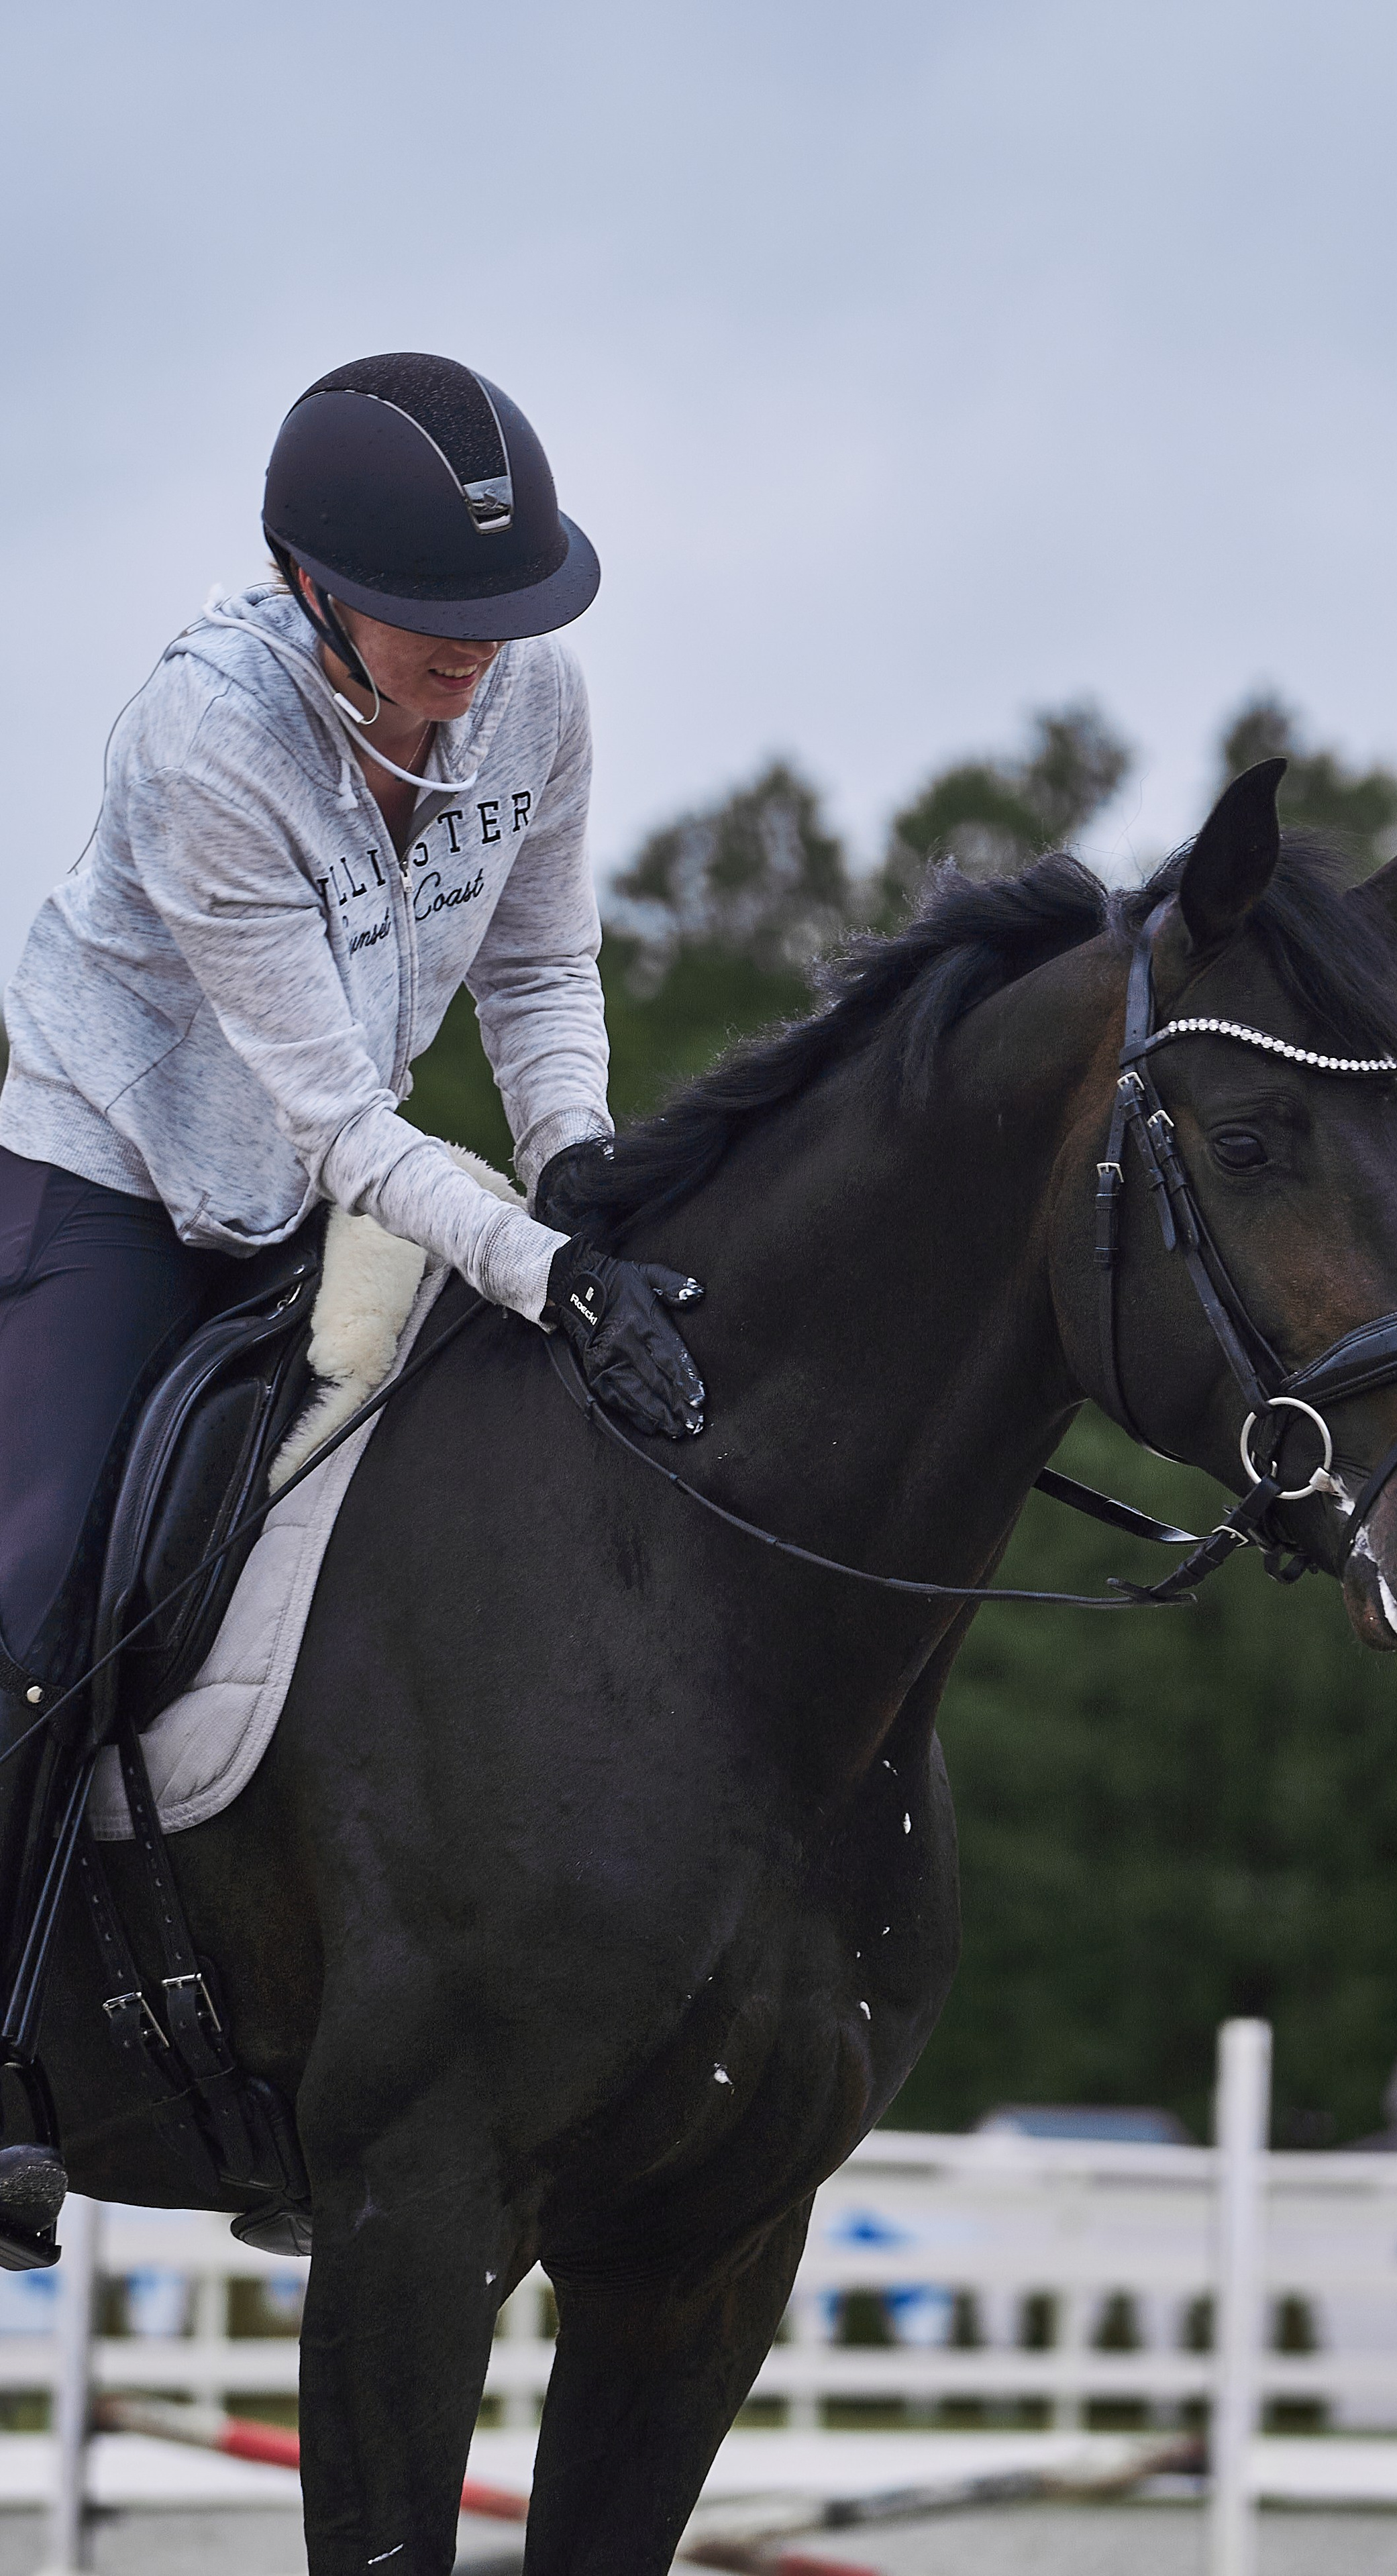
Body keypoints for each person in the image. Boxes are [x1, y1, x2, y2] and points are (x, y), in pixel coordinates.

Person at [0, 352, 706, 2232]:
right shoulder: (204, 740)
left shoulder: (533, 694)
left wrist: (581, 1174)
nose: (479, 646)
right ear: (311, 585)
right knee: (42, 1575)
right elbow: (333, 1117)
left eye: (506, 604)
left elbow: (540, 974)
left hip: (327, 1185)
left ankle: (323, 2049)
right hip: (113, 1180)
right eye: (430, 610)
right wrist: (547, 1270)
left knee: (426, 1549)